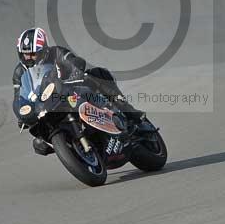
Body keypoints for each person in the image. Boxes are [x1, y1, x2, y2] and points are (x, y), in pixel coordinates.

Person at [12, 27, 146, 155]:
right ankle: (69, 146)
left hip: (67, 89)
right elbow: (19, 97)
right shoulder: (19, 72)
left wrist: (76, 72)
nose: (28, 58)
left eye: (33, 54)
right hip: (46, 105)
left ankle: (127, 110)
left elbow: (73, 62)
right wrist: (21, 113)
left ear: (44, 50)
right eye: (25, 54)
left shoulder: (57, 52)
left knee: (96, 74)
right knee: (39, 144)